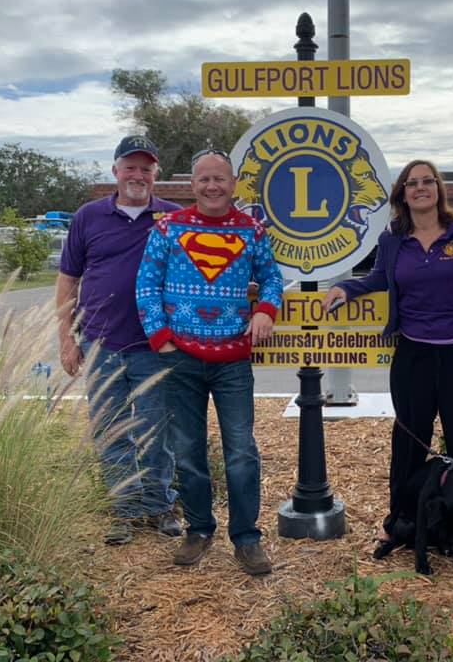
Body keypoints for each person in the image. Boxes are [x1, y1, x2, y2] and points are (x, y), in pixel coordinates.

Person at [322, 159, 453, 570]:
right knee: (408, 443)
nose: (421, 188)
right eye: (412, 183)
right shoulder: (394, 240)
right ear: (402, 193)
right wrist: (345, 288)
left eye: (428, 181)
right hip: (414, 355)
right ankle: (401, 523)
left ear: (439, 189)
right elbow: (378, 279)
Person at [135, 149, 283, 576]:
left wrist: (264, 310)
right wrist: (161, 338)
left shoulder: (252, 231)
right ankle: (198, 529)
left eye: (220, 179)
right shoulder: (167, 228)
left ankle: (247, 537)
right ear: (192, 184)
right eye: (204, 179)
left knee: (241, 452)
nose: (212, 186)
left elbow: (272, 277)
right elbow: (147, 283)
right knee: (187, 451)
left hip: (233, 362)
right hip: (179, 359)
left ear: (233, 184)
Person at [56, 135, 182, 545]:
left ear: (155, 174)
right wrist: (66, 339)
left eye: (146, 168)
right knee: (110, 431)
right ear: (115, 171)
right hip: (100, 343)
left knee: (156, 432)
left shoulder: (174, 218)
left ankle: (160, 505)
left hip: (156, 346)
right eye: (130, 166)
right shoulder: (88, 217)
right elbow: (68, 280)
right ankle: (124, 510)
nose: (138, 175)